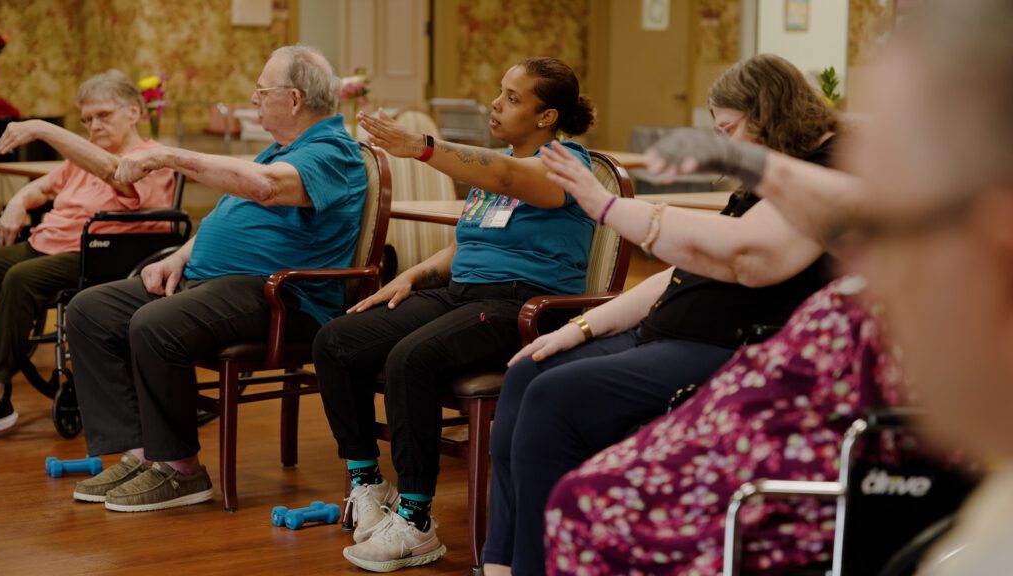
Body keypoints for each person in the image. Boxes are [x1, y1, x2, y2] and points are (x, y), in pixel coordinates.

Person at [546, 1, 1013, 573]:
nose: (856, 257)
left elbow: (756, 254)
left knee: (585, 496)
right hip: (766, 401)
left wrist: (611, 206)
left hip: (798, 441)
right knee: (574, 463)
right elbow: (852, 210)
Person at [483, 54, 839, 576]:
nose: (729, 146)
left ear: (770, 113)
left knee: (553, 397)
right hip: (667, 331)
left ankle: (544, 565)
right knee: (528, 370)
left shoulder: (824, 170)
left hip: (726, 345)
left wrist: (610, 207)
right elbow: (674, 275)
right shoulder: (775, 174)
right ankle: (504, 561)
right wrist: (580, 328)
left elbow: (749, 254)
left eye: (730, 130)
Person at [313, 57, 595, 571]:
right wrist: (414, 274)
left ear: (547, 116)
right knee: (336, 340)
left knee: (411, 360)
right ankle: (368, 484)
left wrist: (420, 148)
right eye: (500, 91)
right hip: (466, 294)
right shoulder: (502, 164)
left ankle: (417, 522)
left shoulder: (565, 166)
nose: (496, 102)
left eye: (513, 97)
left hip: (525, 305)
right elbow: (472, 241)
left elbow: (511, 176)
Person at [61, 45, 367, 513]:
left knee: (154, 322)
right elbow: (230, 212)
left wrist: (168, 156)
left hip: (282, 297)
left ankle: (182, 469)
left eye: (262, 91)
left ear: (294, 99)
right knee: (90, 310)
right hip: (214, 284)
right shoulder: (280, 149)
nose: (255, 98)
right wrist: (181, 256)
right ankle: (144, 451)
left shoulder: (332, 153)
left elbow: (265, 187)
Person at [0, 70, 174, 434]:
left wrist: (44, 129)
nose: (94, 126)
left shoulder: (151, 157)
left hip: (101, 254)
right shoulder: (83, 158)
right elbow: (41, 187)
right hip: (47, 244)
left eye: (104, 115)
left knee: (21, 278)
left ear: (134, 112)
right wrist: (18, 201)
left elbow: (116, 174)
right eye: (87, 119)